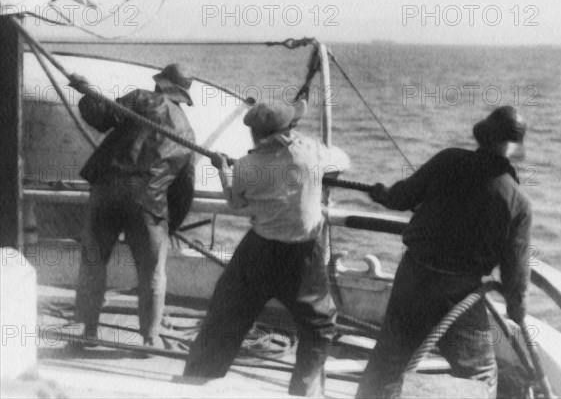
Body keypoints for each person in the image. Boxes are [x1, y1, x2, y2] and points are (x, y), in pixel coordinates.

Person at [356, 106, 532, 399]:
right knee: (480, 374)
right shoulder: (519, 201)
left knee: (388, 364)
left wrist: (381, 193)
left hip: (413, 275)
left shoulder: (448, 159)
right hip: (459, 292)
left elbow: (401, 198)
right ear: (514, 150)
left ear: (483, 136)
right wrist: (516, 307)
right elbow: (516, 270)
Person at [183, 99, 350, 397]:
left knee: (225, 317)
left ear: (256, 135)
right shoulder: (310, 152)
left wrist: (224, 169)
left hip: (259, 251)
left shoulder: (247, 167)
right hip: (303, 255)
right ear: (289, 130)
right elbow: (343, 160)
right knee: (319, 326)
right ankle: (306, 391)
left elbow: (235, 202)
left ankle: (194, 384)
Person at [70, 63, 196, 348]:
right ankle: (150, 339)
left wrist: (85, 92)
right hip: (149, 203)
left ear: (159, 84)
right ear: (182, 96)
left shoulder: (140, 99)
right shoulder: (188, 132)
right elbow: (184, 188)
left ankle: (87, 332)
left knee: (93, 264)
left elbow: (100, 117)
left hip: (108, 191)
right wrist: (169, 227)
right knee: (152, 274)